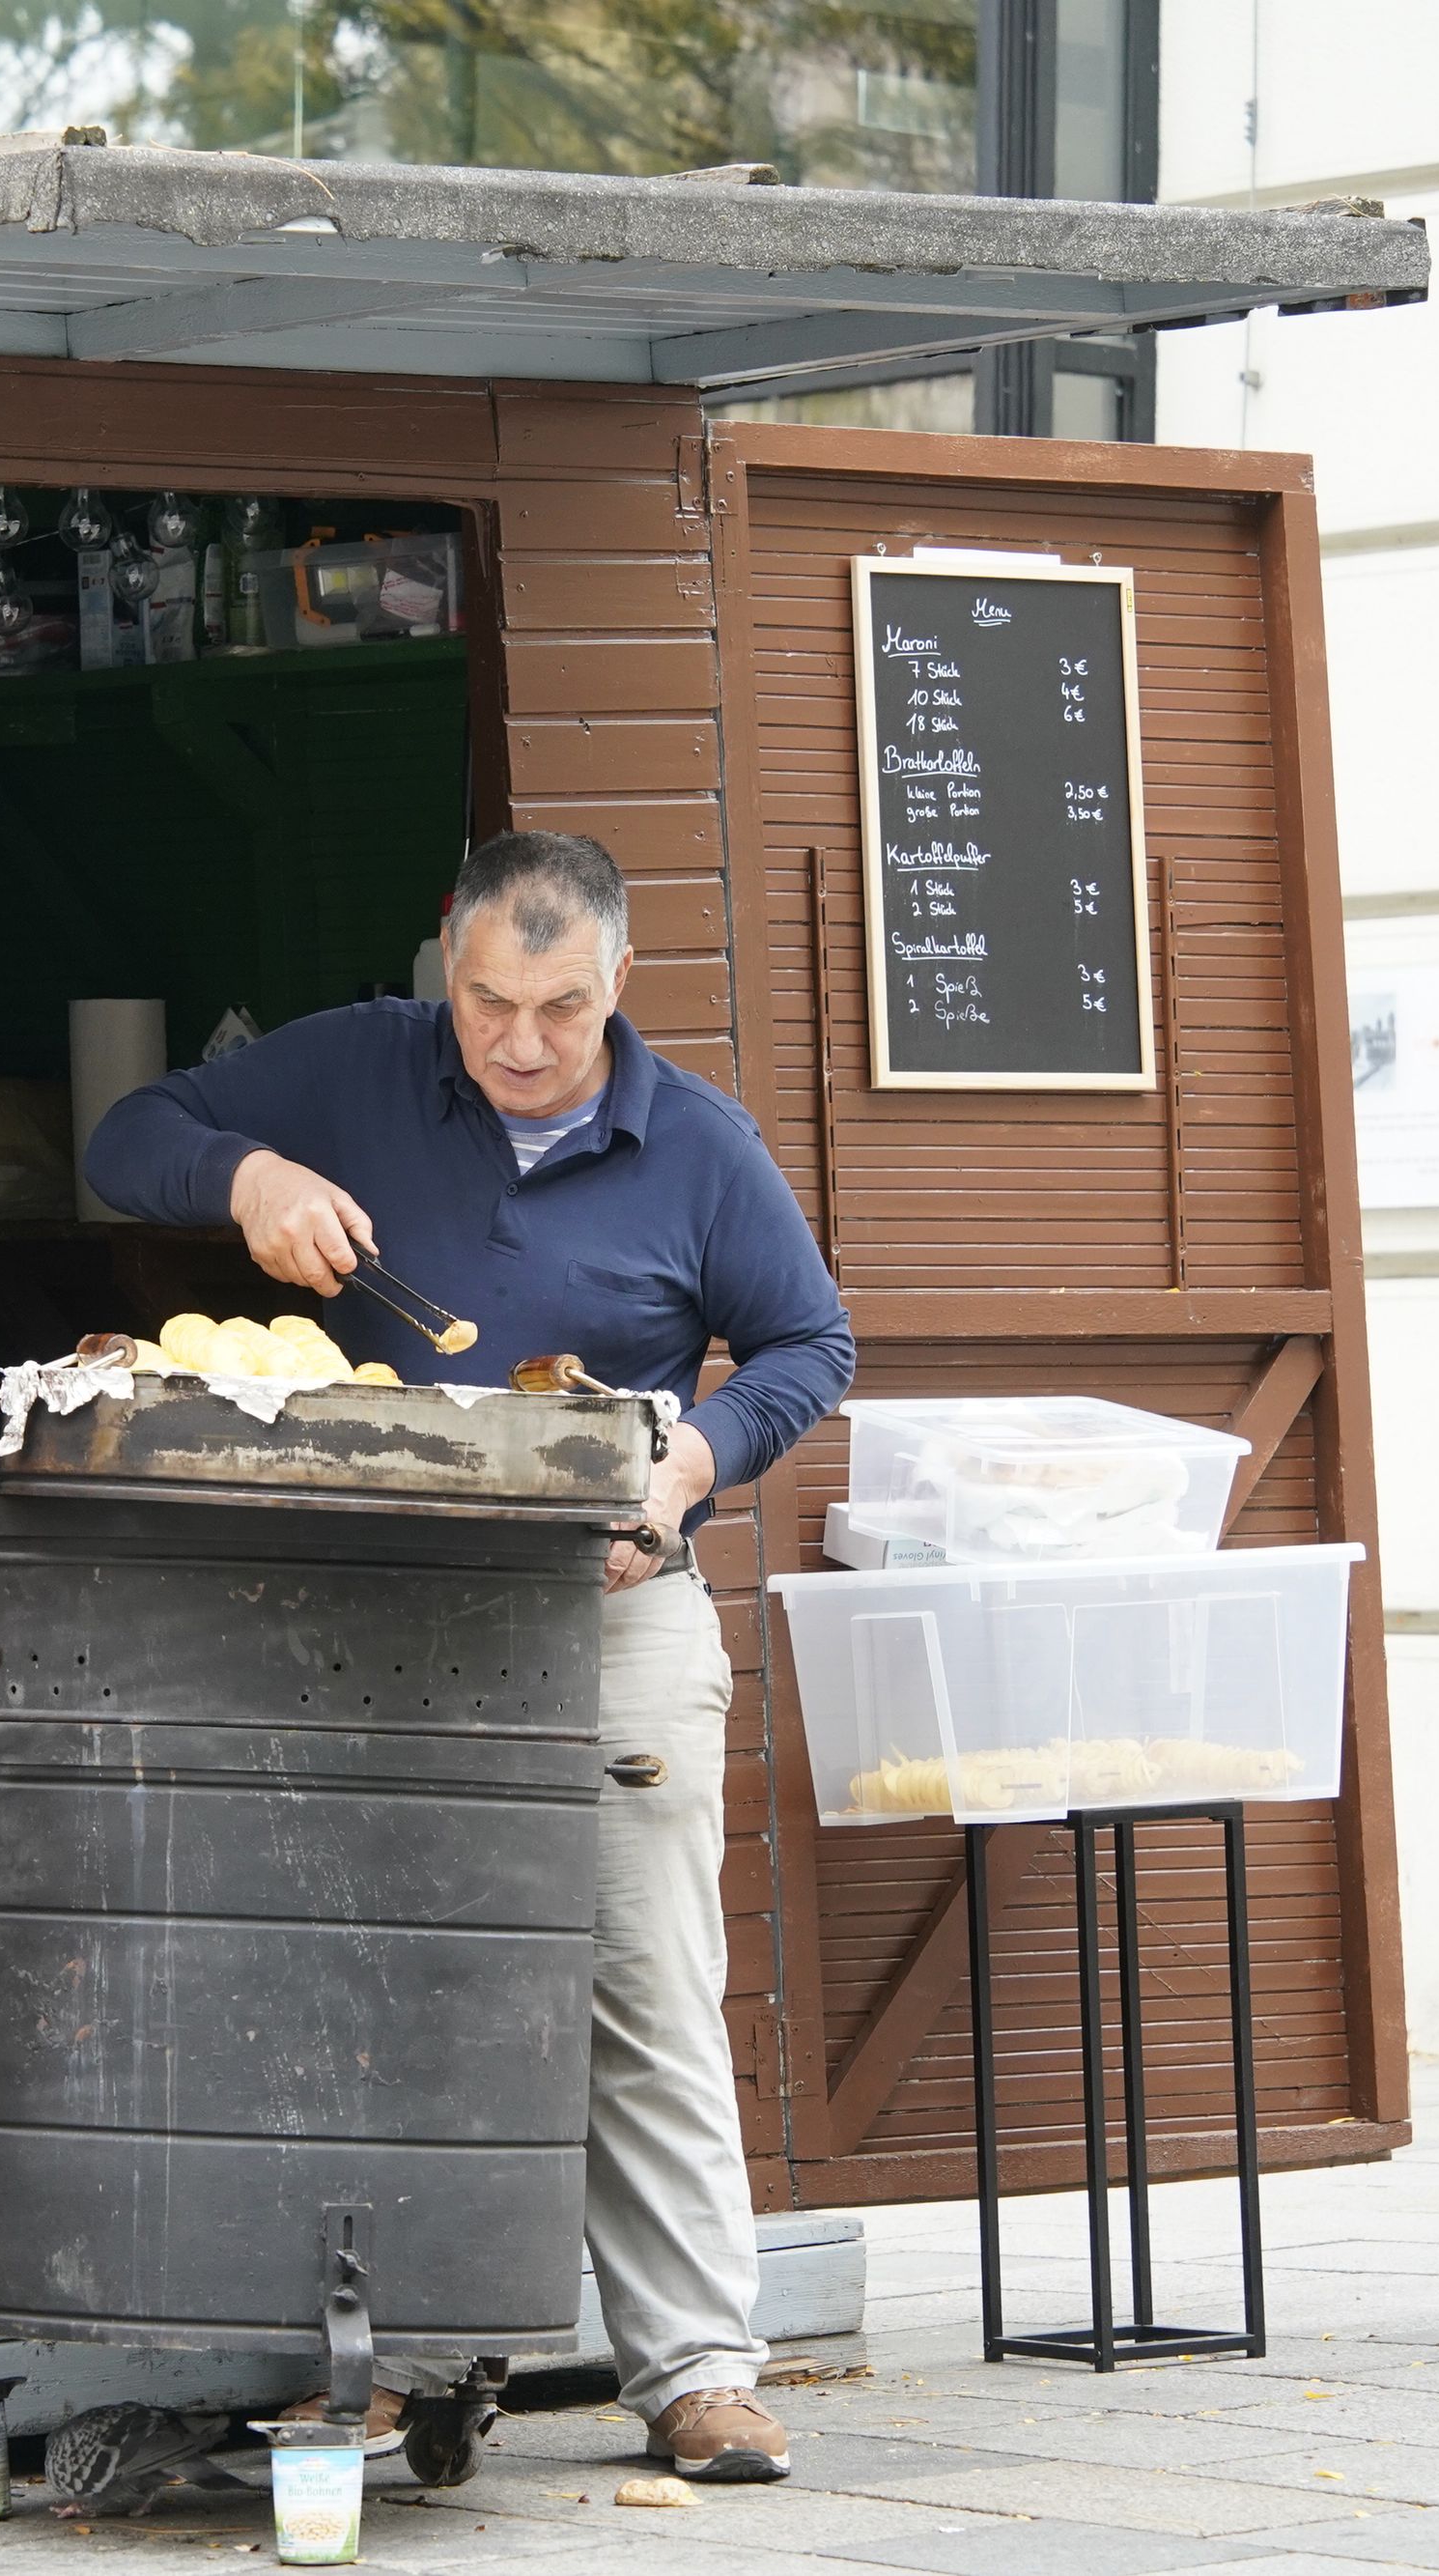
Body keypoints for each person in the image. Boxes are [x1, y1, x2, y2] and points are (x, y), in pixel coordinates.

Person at [85, 830, 854, 2485]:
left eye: (560, 1010)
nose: (517, 1041)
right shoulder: (363, 1062)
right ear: (449, 965)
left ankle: (700, 2369)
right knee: (374, 1982)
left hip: (613, 1605)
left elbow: (810, 1341)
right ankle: (383, 2365)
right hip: (374, 1625)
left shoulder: (701, 1146)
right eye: (489, 1001)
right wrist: (250, 1178)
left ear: (619, 986)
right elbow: (127, 1131)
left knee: (640, 1980)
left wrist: (696, 1460)